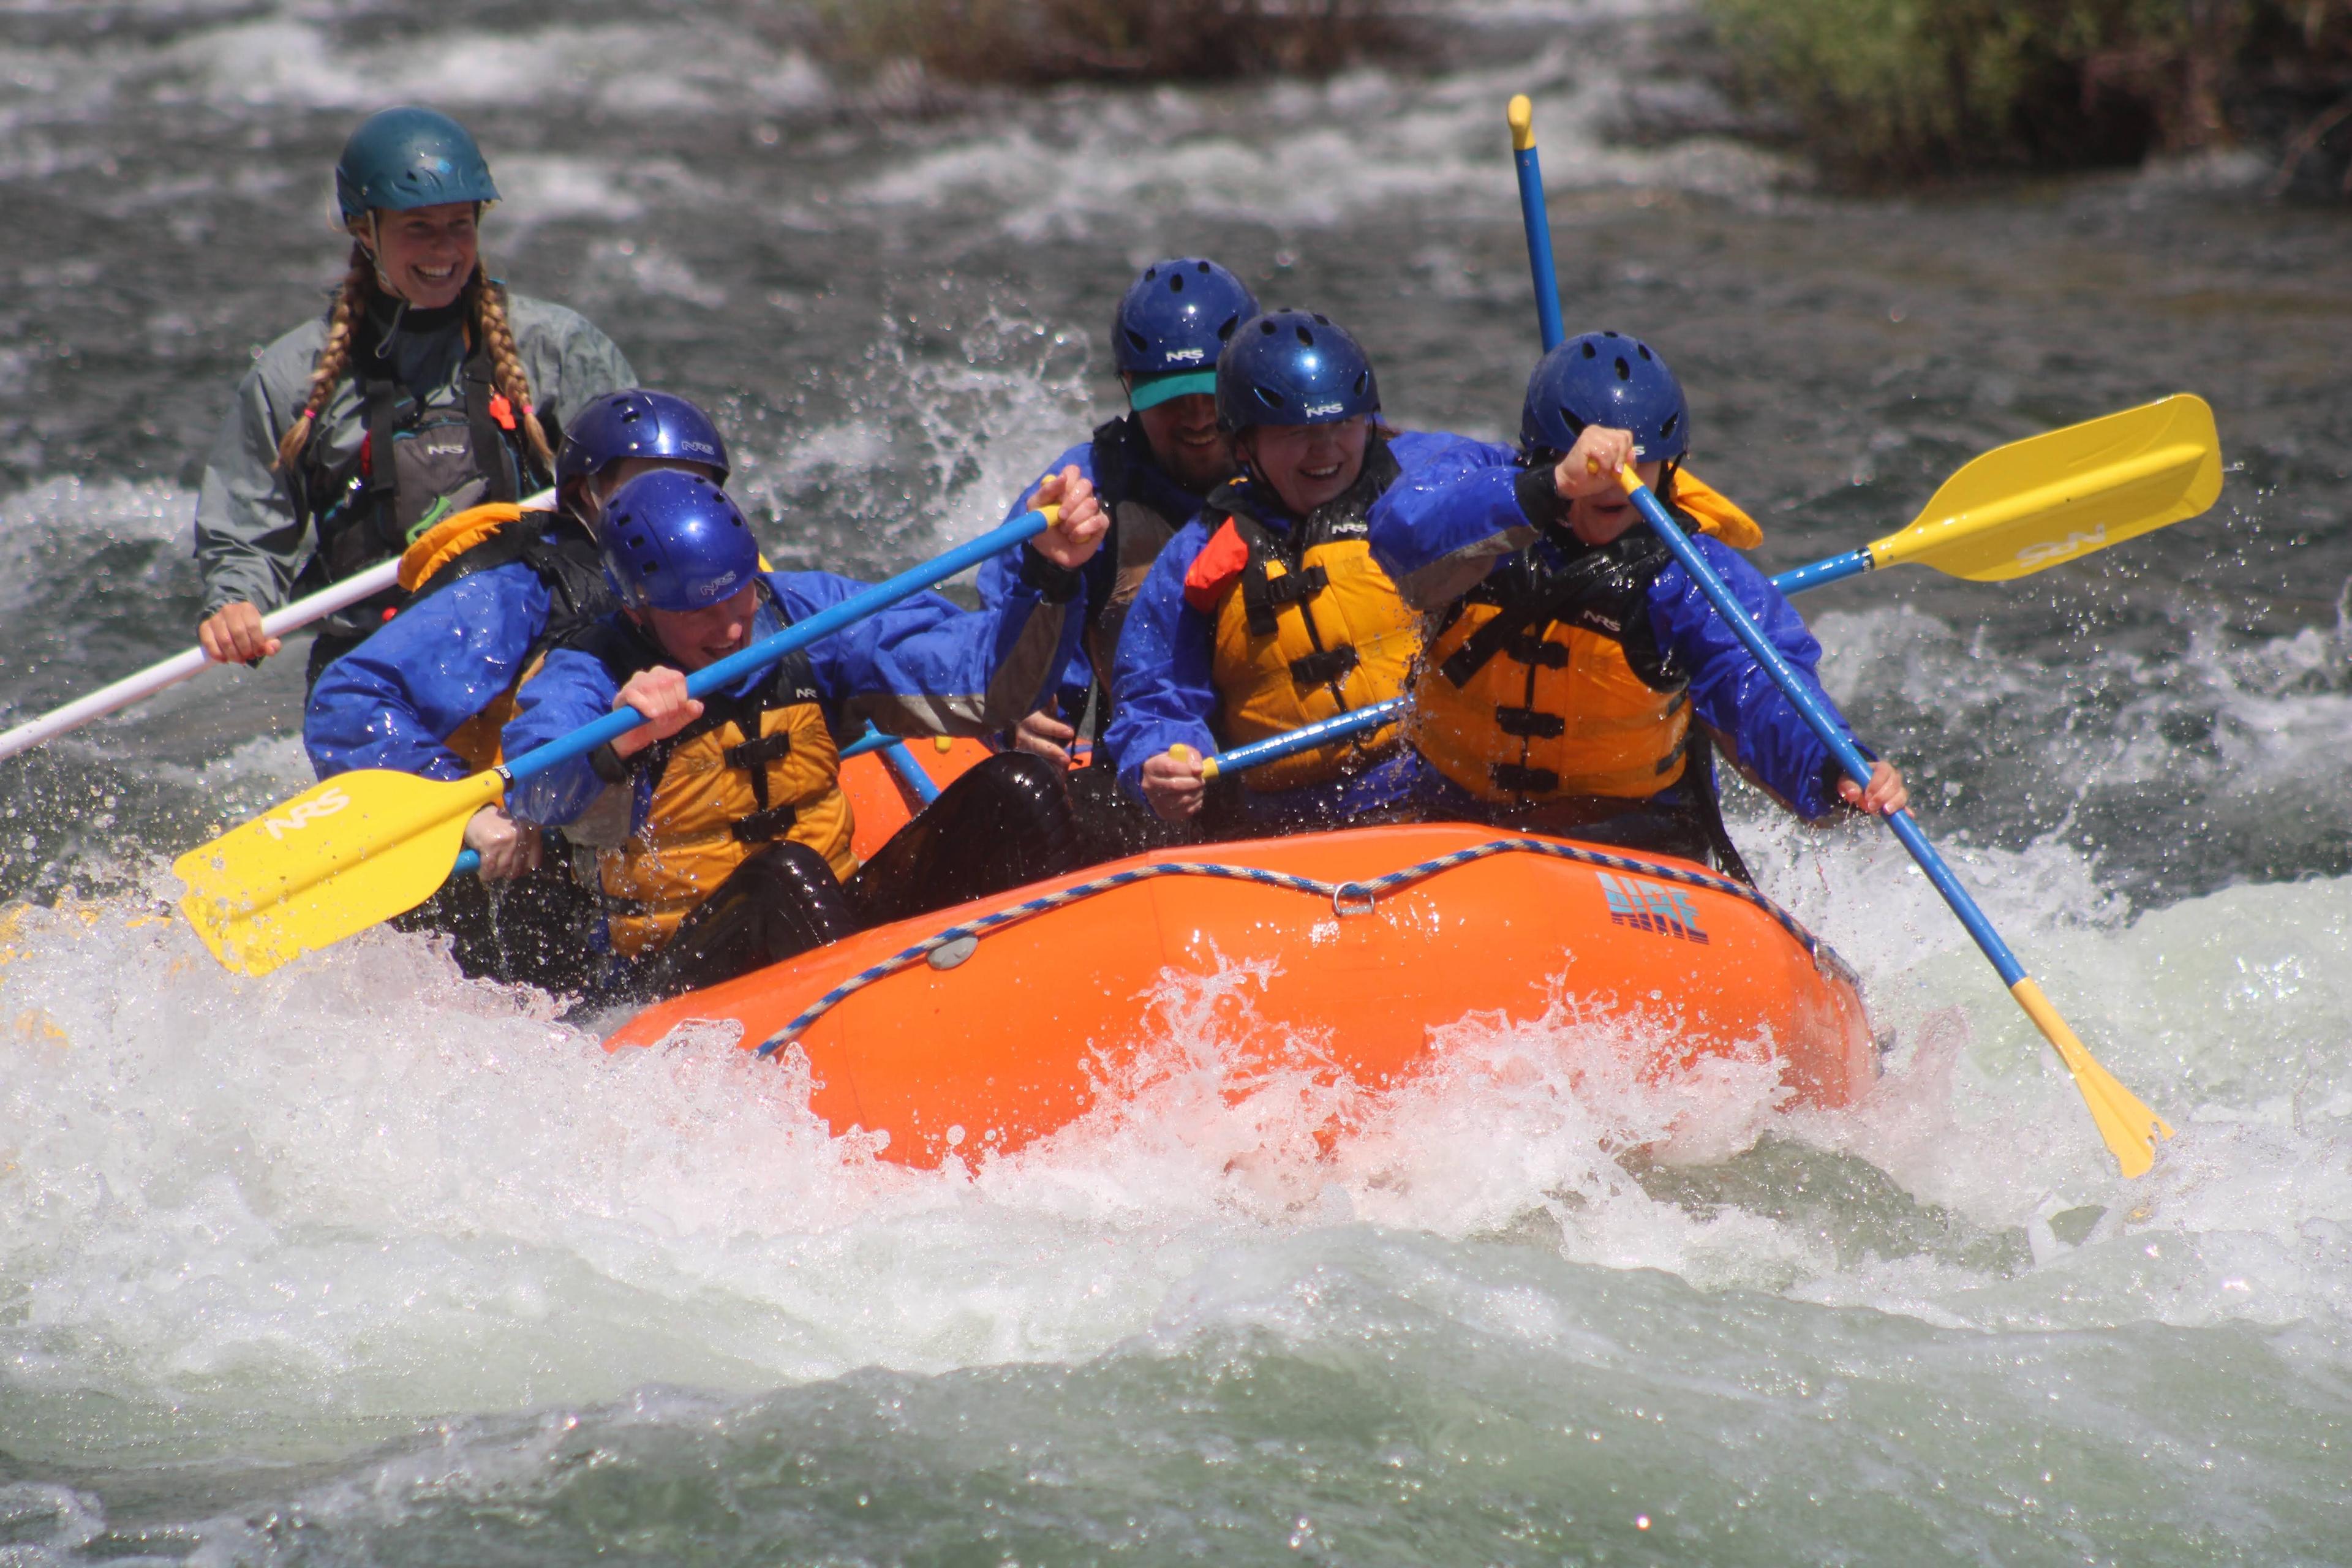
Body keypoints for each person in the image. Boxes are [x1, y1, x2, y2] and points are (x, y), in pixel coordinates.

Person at [500, 467, 1109, 1006]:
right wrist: (620, 740)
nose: (732, 627)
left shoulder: (802, 614)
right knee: (784, 875)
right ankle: (874, 1047)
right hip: (680, 972)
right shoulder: (590, 667)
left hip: (830, 922)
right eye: (697, 613)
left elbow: (986, 686)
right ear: (638, 610)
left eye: (737, 592)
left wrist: (1050, 575)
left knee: (1020, 787)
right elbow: (533, 788)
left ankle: (1064, 995)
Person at [1365, 330, 1907, 874]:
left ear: (1670, 468)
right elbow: (1402, 531)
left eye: (1638, 465)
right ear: (1547, 453)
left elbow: (1759, 685)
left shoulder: (1692, 575)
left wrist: (1829, 767)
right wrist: (1550, 487)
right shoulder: (1483, 491)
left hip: (1626, 847)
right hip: (1453, 821)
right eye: (1597, 467)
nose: (1615, 485)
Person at [298, 391, 730, 988]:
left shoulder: (732, 582)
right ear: (588, 494)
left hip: (686, 864)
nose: (674, 509)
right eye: (650, 487)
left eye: (696, 488)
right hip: (534, 873)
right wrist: (465, 813)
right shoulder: (515, 591)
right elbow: (352, 698)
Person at [192, 105, 634, 688]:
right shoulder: (290, 378)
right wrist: (236, 607)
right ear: (363, 229)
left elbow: (639, 483)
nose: (444, 249)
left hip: (544, 646)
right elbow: (247, 534)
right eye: (418, 227)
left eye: (460, 224)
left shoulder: (557, 347)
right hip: (379, 671)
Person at [1103, 308, 1491, 834]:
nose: (1325, 449)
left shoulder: (1432, 474)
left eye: (1342, 424)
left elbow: (1531, 490)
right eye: (1295, 432)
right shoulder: (1200, 554)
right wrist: (1161, 760)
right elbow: (1156, 692)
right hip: (1289, 829)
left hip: (1443, 798)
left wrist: (1569, 478)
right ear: (1243, 445)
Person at [973, 257, 1259, 861]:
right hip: (1151, 776)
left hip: (1294, 759)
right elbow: (1008, 641)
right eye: (1171, 397)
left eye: (1210, 389)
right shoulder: (1078, 498)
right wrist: (1020, 712)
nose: (1198, 415)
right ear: (1130, 387)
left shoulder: (1315, 457)